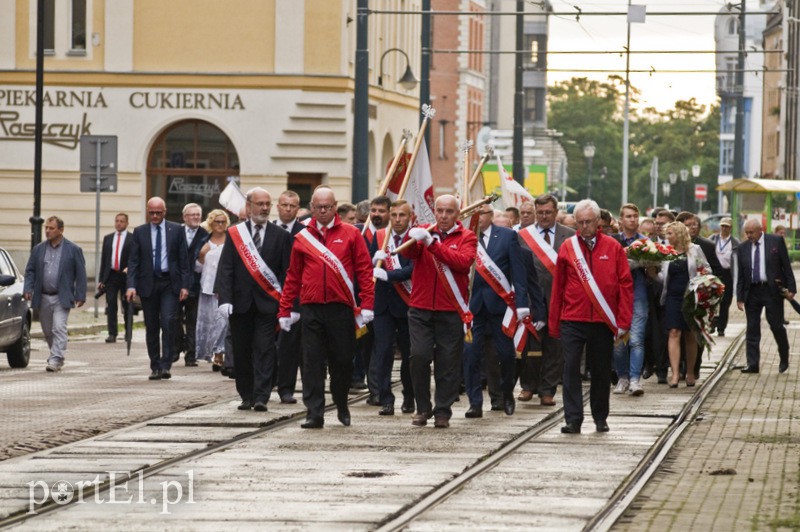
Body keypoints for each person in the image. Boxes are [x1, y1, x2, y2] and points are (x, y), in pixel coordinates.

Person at [278, 187, 375, 428]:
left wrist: (367, 304)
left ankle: (341, 402)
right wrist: (285, 308)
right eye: (319, 207)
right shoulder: (302, 237)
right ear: (312, 207)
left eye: (327, 207)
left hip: (340, 308)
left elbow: (364, 270)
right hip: (311, 308)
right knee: (311, 362)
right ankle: (314, 412)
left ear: (335, 207)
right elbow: (293, 275)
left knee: (342, 360)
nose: (323, 211)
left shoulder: (351, 234)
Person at [549, 200, 632, 434]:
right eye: (580, 222)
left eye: (588, 222)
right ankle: (573, 419)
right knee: (570, 369)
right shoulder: (568, 247)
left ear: (598, 222)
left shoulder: (613, 247)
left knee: (601, 370)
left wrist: (623, 321)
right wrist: (554, 322)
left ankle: (600, 417)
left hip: (602, 321)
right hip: (572, 319)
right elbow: (558, 286)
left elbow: (625, 285)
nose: (584, 226)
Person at [401, 194, 477, 428]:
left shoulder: (467, 236)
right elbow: (407, 254)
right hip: (420, 307)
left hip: (450, 309)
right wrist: (410, 235)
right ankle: (422, 407)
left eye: (449, 212)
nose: (443, 216)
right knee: (419, 356)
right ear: (434, 211)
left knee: (448, 363)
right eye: (440, 211)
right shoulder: (426, 229)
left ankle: (443, 410)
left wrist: (433, 244)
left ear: (458, 213)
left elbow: (462, 262)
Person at [216, 188, 292, 411]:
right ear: (249, 206)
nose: (265, 208)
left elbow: (286, 273)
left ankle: (261, 396)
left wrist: (285, 304)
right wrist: (225, 299)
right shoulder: (235, 234)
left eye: (268, 204)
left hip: (268, 305)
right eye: (260, 204)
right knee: (242, 352)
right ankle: (246, 395)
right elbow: (226, 268)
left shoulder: (280, 235)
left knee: (265, 350)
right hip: (240, 305)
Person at [463, 203, 534, 417]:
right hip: (473, 307)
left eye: (481, 213)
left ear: (490, 215)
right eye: (474, 214)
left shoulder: (506, 236)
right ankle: (475, 402)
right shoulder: (466, 237)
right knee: (471, 355)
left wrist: (522, 303)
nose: (478, 218)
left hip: (500, 307)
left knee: (506, 355)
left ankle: (506, 394)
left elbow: (518, 273)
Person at [516, 195, 574, 406]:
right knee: (530, 346)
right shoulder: (523, 236)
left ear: (556, 212)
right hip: (532, 300)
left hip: (560, 300)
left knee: (555, 347)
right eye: (540, 213)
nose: (543, 216)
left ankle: (548, 389)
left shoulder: (570, 235)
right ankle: (528, 386)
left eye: (548, 212)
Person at [126, 197, 191, 381]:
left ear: (165, 211)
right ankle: (155, 365)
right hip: (148, 284)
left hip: (169, 283)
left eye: (158, 213)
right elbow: (133, 261)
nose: (154, 216)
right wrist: (131, 285)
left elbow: (183, 260)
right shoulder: (140, 232)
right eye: (151, 212)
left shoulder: (176, 230)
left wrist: (185, 285)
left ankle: (166, 364)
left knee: (169, 322)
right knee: (152, 326)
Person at [648, 221, 710, 387]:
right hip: (672, 297)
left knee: (690, 334)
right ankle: (674, 374)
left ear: (679, 234)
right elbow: (664, 277)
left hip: (690, 297)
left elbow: (706, 269)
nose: (667, 237)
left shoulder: (695, 249)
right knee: (674, 332)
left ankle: (689, 372)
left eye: (670, 234)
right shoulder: (666, 252)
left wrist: (701, 281)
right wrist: (653, 275)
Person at [23, 216, 87, 372]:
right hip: (43, 296)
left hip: (61, 296)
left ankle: (56, 358)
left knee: (58, 327)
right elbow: (30, 270)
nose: (47, 231)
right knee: (47, 330)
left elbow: (81, 274)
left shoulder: (73, 249)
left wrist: (80, 294)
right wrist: (28, 288)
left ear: (61, 230)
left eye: (51, 228)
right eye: (46, 227)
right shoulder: (39, 249)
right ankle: (56, 354)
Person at [370, 200, 415, 415]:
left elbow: (411, 269)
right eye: (394, 215)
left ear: (410, 217)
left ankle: (409, 396)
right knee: (383, 352)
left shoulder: (415, 238)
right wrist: (373, 261)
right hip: (382, 305)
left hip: (407, 304)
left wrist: (388, 275)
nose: (397, 220)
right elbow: (367, 267)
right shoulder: (381, 236)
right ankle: (385, 398)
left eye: (402, 215)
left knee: (409, 354)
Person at [736, 219, 795, 374]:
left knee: (776, 325)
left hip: (771, 290)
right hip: (752, 292)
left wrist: (791, 288)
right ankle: (752, 364)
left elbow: (786, 265)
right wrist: (739, 296)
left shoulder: (775, 241)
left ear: (760, 229)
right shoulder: (742, 248)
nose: (749, 236)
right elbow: (741, 274)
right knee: (752, 328)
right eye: (746, 233)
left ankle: (784, 356)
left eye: (751, 232)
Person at [354, 195, 392, 401]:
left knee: (384, 348)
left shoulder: (394, 233)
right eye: (374, 211)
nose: (376, 215)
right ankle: (375, 390)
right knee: (368, 347)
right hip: (367, 300)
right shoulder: (361, 233)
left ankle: (381, 389)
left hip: (393, 299)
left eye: (381, 211)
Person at [612, 203, 649, 396]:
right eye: (628, 216)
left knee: (636, 339)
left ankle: (635, 379)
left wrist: (648, 263)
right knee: (618, 339)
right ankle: (622, 377)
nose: (632, 219)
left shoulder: (646, 242)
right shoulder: (613, 241)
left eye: (635, 216)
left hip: (638, 293)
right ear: (621, 220)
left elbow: (654, 272)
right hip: (617, 295)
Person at [274, 190, 304, 404]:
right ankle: (263, 386)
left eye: (292, 206)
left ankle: (286, 388)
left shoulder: (305, 233)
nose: (288, 209)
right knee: (265, 346)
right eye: (284, 205)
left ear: (298, 209)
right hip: (268, 296)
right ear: (278, 206)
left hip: (294, 299)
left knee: (289, 347)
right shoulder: (268, 230)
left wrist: (295, 304)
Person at [174, 203, 209, 367]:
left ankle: (191, 354)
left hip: (196, 284)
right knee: (173, 318)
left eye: (198, 215)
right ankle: (177, 346)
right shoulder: (176, 232)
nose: (195, 217)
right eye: (192, 214)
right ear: (184, 217)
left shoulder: (205, 235)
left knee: (193, 320)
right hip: (176, 284)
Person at [195, 209, 229, 371]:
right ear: (211, 223)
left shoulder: (230, 240)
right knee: (210, 323)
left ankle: (220, 353)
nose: (220, 225)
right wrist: (202, 255)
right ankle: (212, 353)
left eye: (223, 222)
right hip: (207, 287)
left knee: (223, 322)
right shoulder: (204, 241)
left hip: (224, 288)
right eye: (217, 221)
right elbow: (197, 268)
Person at [98, 213, 132, 343]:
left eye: (122, 221)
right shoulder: (108, 238)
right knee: (111, 304)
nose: (119, 223)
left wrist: (130, 269)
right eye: (117, 221)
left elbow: (135, 257)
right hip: (111, 275)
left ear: (127, 223)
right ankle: (112, 333)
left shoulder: (132, 238)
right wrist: (102, 279)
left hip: (125, 275)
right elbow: (104, 260)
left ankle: (128, 332)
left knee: (127, 305)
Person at [709, 217, 739, 337]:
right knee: (711, 299)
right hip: (714, 273)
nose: (724, 228)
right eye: (722, 226)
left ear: (730, 228)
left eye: (727, 226)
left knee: (725, 302)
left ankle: (721, 327)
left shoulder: (735, 243)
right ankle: (712, 323)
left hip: (727, 274)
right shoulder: (712, 239)